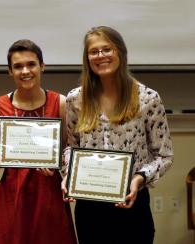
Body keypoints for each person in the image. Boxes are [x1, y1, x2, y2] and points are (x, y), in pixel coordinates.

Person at [62, 26, 173, 244]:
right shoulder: (75, 99)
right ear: (87, 58)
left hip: (132, 204)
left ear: (120, 53)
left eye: (107, 49)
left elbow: (164, 156)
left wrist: (139, 179)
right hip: (89, 209)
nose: (101, 56)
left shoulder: (148, 98)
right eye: (94, 51)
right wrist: (68, 174)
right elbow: (70, 148)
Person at [0, 39, 77, 244]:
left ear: (42, 66)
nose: (25, 71)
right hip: (12, 195)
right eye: (18, 66)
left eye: (31, 64)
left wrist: (57, 164)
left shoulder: (60, 102)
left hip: (48, 192)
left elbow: (68, 150)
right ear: (10, 71)